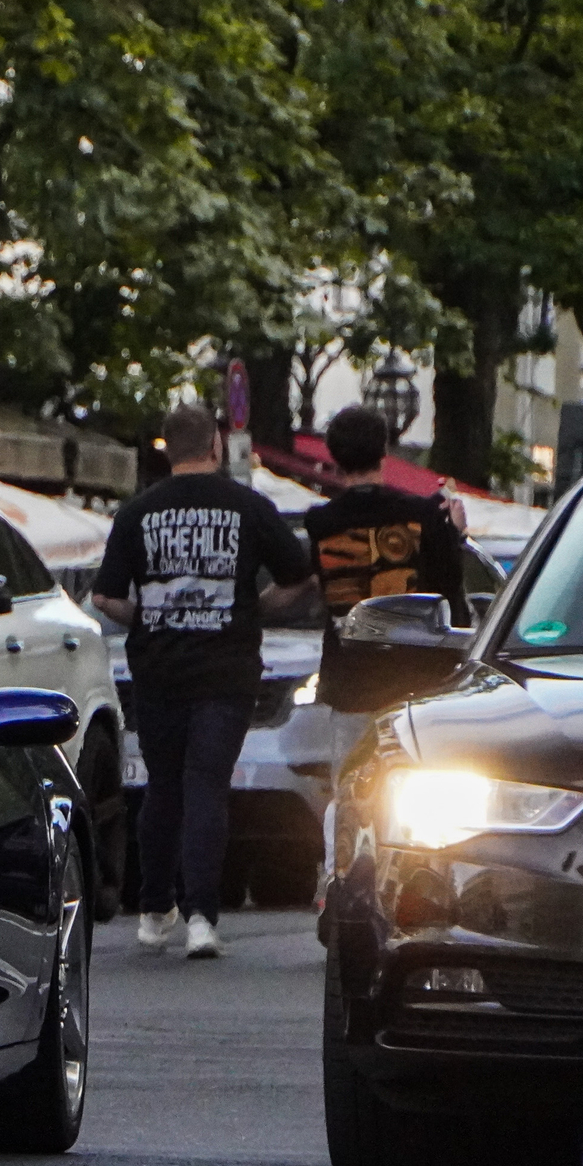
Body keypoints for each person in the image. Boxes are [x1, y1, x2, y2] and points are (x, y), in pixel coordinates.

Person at [93, 404, 316, 959]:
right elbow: (299, 576)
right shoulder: (247, 507)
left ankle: (151, 910)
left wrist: (149, 618)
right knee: (207, 785)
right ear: (216, 446)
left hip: (159, 668)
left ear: (167, 448)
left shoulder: (136, 514)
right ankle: (201, 919)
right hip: (227, 667)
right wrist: (253, 611)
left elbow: (104, 596)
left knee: (163, 786)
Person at [304, 406, 470, 720]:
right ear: (384, 451)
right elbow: (449, 584)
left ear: (335, 457)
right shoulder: (422, 515)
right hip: (414, 683)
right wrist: (454, 535)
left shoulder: (321, 523)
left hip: (348, 684)